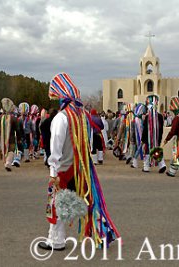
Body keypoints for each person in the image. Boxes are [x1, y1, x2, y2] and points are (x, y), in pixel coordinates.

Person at [38, 72, 120, 251]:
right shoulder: (80, 115)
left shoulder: (61, 117)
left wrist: (53, 173)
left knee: (57, 203)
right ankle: (102, 231)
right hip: (80, 167)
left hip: (64, 169)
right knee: (87, 200)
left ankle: (56, 240)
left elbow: (55, 148)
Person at [141, 95, 166, 173]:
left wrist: (143, 139)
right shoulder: (160, 116)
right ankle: (162, 164)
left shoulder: (147, 117)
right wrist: (159, 138)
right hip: (157, 138)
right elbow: (161, 129)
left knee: (147, 151)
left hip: (148, 138)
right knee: (156, 150)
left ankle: (146, 167)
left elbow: (145, 130)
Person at [0, 98, 21, 171]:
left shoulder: (1, 118)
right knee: (11, 150)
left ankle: (6, 162)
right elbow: (18, 130)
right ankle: (8, 163)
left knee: (5, 150)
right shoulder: (14, 119)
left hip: (2, 138)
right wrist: (19, 138)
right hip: (11, 137)